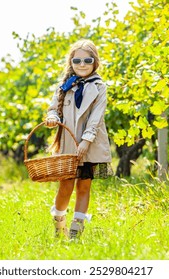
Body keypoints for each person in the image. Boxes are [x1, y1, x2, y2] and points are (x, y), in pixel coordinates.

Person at [45, 39, 113, 239]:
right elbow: (53, 108)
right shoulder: (65, 86)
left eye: (87, 60)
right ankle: (59, 223)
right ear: (71, 62)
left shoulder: (100, 87)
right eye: (77, 60)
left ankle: (77, 230)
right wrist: (52, 118)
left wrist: (86, 140)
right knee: (66, 186)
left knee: (84, 185)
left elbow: (96, 117)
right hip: (68, 142)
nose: (82, 64)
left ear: (95, 62)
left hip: (89, 143)